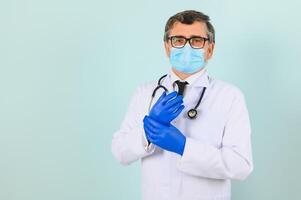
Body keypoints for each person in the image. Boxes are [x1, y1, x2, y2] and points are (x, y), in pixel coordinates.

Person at [111, 10, 253, 200]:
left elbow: (241, 166)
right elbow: (120, 152)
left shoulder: (230, 96)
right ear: (167, 47)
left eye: (196, 40)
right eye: (178, 40)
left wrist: (184, 147)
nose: (186, 47)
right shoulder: (145, 93)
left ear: (209, 49)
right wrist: (147, 131)